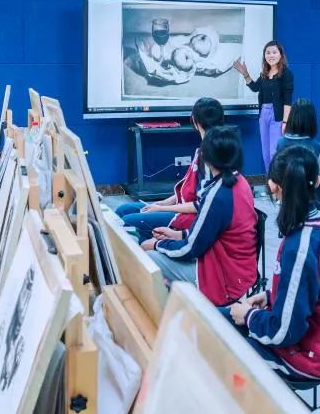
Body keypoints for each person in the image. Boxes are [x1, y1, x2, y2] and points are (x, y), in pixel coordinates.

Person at [225, 145, 320, 379]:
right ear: (318, 181)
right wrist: (272, 295)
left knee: (214, 345)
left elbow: (283, 331)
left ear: (275, 187)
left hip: (309, 354)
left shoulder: (300, 245)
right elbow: (315, 288)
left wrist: (249, 316)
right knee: (218, 316)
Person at [141, 126, 258, 306]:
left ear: (207, 157)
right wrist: (176, 235)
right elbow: (208, 232)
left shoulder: (218, 194)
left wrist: (157, 245)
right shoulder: (239, 182)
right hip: (239, 271)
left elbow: (190, 249)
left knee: (148, 257)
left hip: (224, 279)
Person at [116, 98, 225, 242]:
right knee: (123, 210)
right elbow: (188, 188)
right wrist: (164, 203)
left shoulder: (211, 156)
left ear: (194, 120)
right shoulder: (204, 149)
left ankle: (148, 248)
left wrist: (163, 209)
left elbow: (203, 204)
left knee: (127, 221)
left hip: (192, 217)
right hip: (182, 207)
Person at [233, 41, 294, 170]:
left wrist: (285, 122)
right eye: (268, 53)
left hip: (278, 116)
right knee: (265, 153)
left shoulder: (286, 74)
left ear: (281, 55)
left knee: (274, 152)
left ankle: (278, 180)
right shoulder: (264, 74)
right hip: (263, 115)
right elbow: (255, 87)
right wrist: (245, 74)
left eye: (274, 52)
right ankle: (270, 179)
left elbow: (288, 100)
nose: (271, 55)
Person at [275, 99, 320, 207]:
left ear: (291, 118)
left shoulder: (280, 143)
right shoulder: (317, 147)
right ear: (312, 121)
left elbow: (277, 172)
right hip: (312, 200)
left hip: (286, 197)